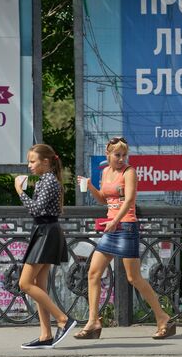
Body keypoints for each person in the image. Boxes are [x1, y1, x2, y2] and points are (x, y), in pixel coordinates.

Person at [74, 137, 175, 340]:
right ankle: (93, 322)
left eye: (123, 155)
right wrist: (90, 186)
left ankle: (163, 318)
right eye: (117, 155)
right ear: (108, 155)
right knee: (93, 273)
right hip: (111, 227)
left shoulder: (129, 172)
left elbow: (129, 200)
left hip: (126, 226)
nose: (120, 159)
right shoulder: (105, 172)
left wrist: (115, 221)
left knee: (133, 278)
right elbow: (104, 199)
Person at [15, 144, 77, 349]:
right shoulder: (46, 180)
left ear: (46, 161)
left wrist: (20, 192)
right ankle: (45, 335)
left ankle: (62, 319)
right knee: (39, 286)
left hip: (46, 233)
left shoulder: (49, 181)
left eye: (32, 161)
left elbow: (36, 209)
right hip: (44, 232)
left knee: (24, 283)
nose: (29, 165)